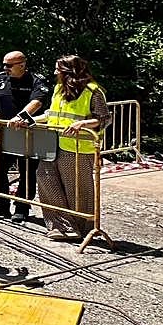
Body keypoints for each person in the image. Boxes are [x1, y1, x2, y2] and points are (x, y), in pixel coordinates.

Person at [0, 51, 51, 223]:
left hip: (29, 132)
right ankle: (1, 203)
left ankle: (22, 207)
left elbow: (37, 102)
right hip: (6, 132)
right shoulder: (0, 79)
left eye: (9, 65)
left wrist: (21, 117)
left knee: (27, 171)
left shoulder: (36, 80)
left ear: (22, 64)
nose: (5, 68)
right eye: (4, 65)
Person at [34, 55, 110, 241]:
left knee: (78, 189)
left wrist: (82, 125)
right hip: (51, 142)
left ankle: (83, 228)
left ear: (69, 71)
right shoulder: (59, 89)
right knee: (46, 180)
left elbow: (104, 118)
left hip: (77, 147)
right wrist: (29, 120)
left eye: (57, 69)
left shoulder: (93, 91)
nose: (54, 73)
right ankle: (61, 226)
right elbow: (51, 114)